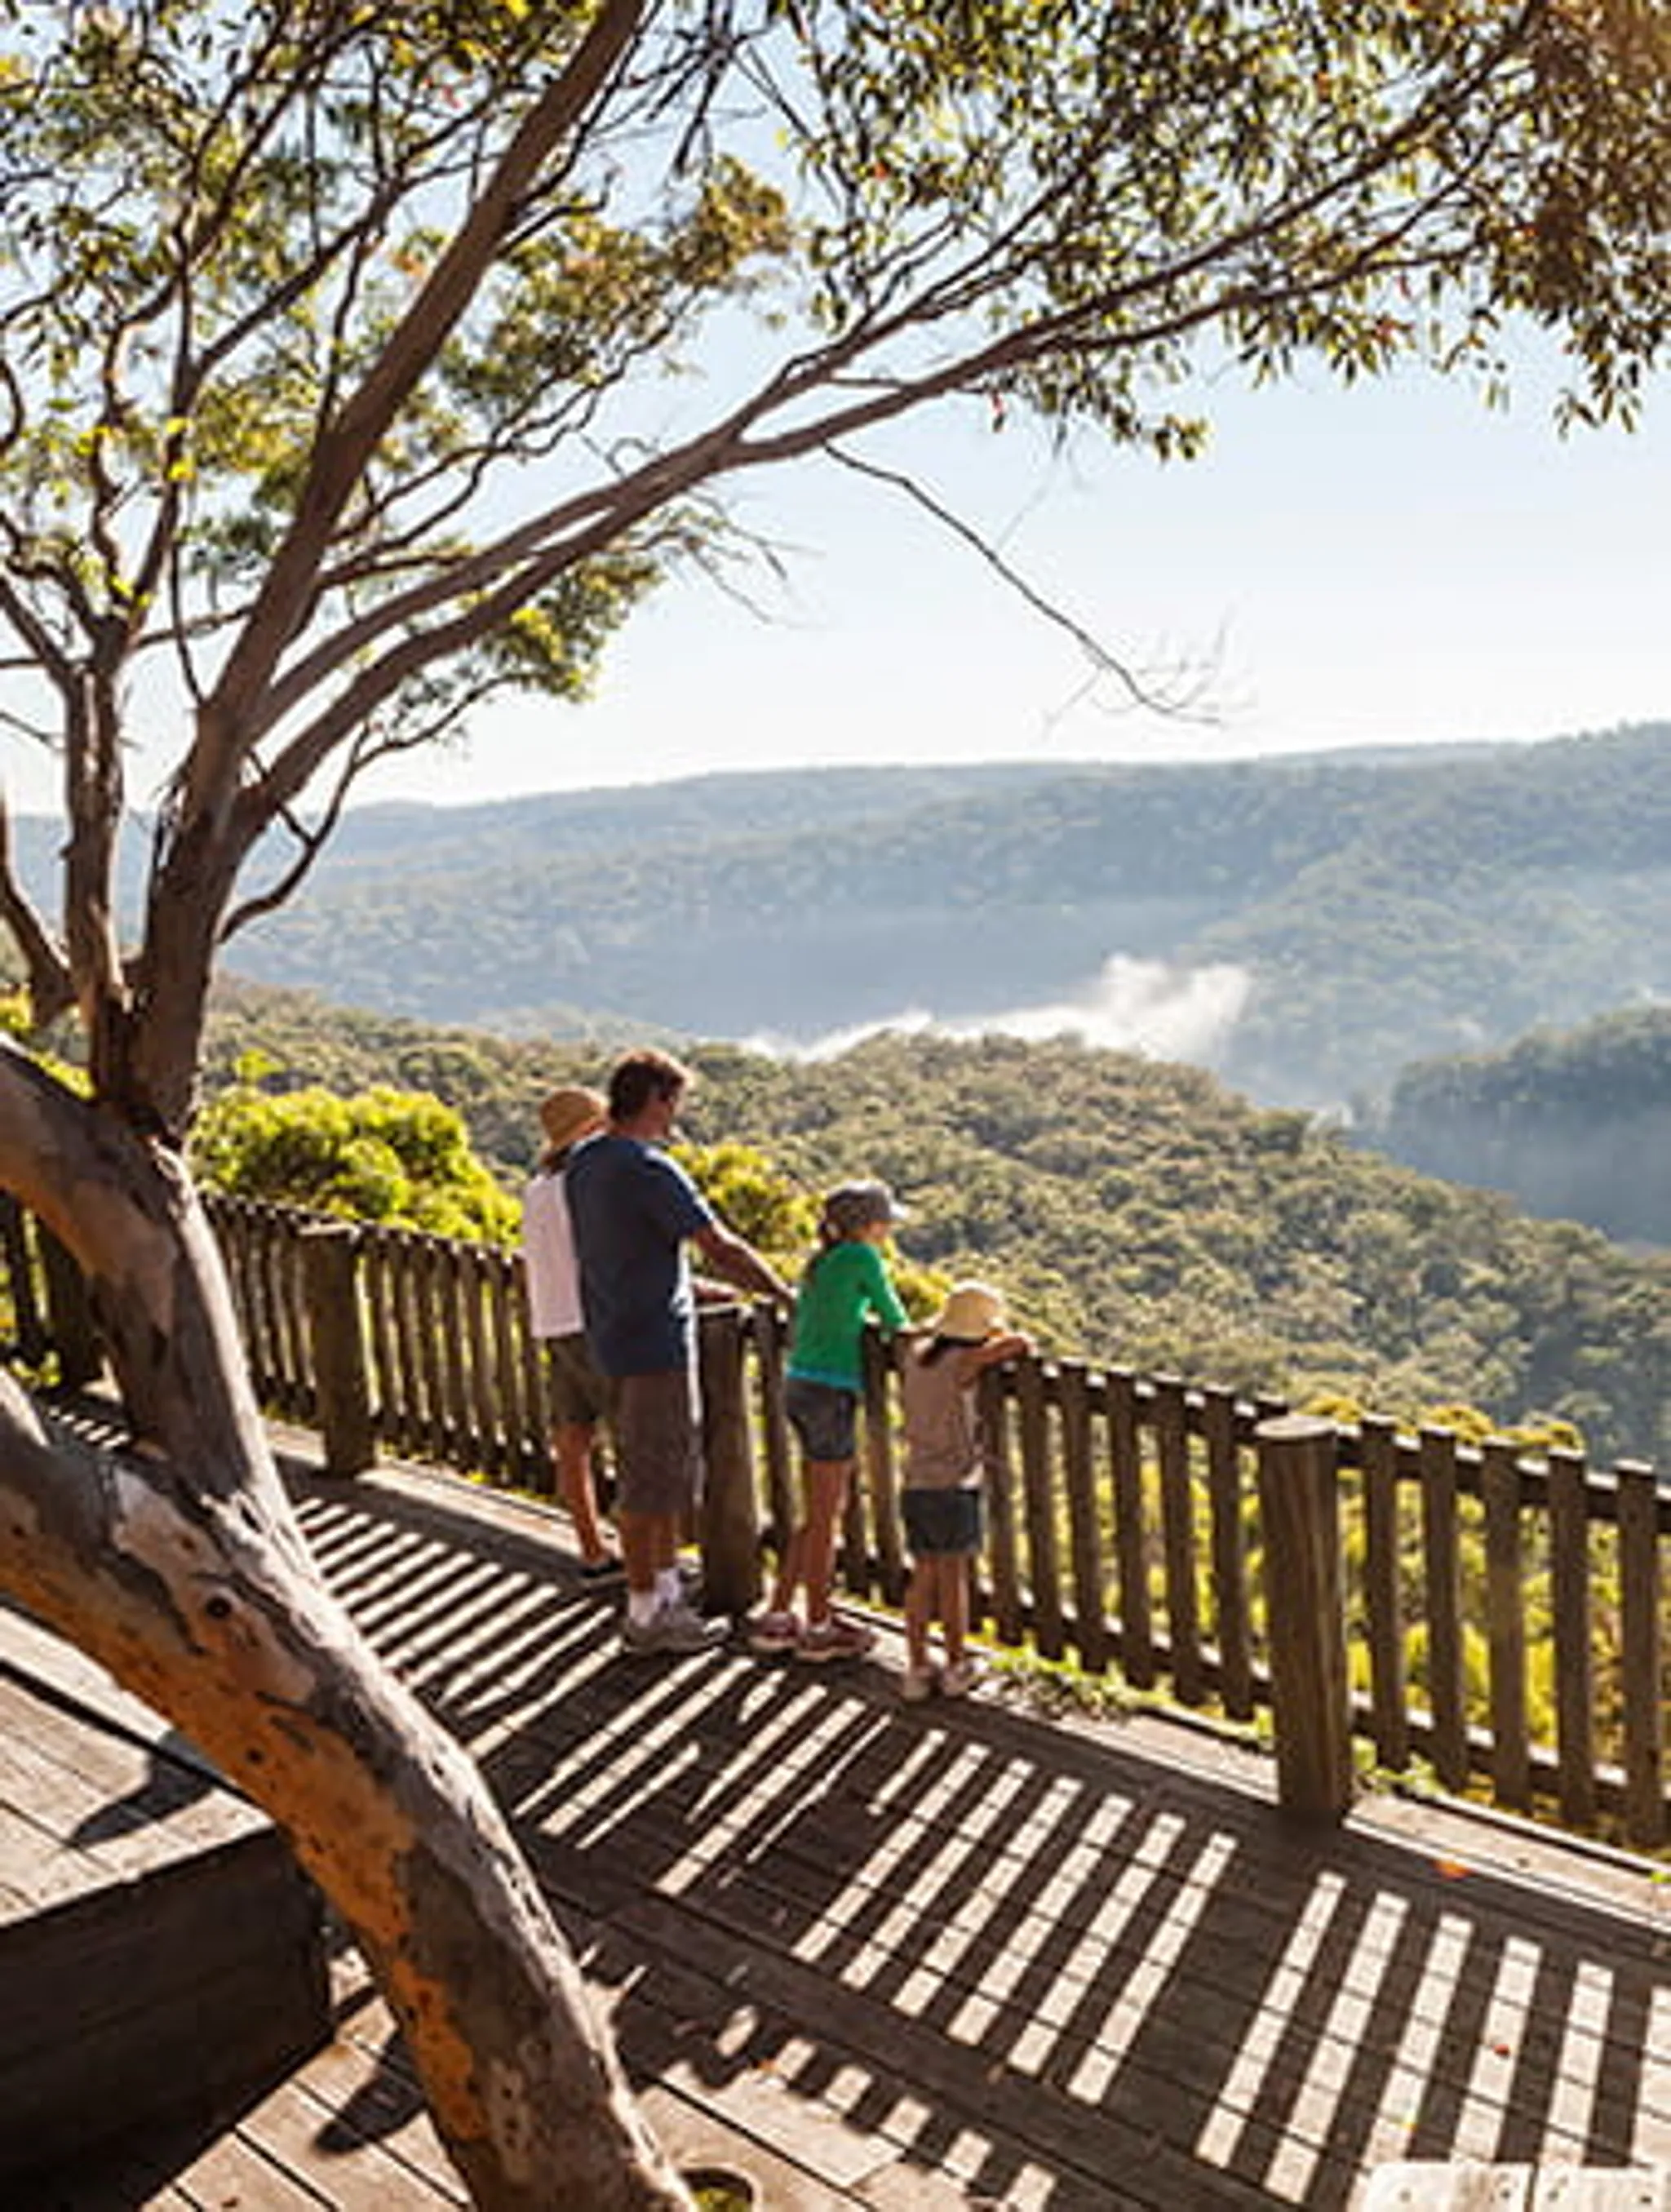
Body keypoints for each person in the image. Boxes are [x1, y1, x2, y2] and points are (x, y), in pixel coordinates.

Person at [565, 1048, 795, 1657]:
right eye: (675, 1102)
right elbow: (719, 1244)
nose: (676, 1116)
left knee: (657, 1475)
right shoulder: (649, 1168)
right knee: (649, 1484)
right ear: (658, 1099)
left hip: (610, 1334)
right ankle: (645, 1613)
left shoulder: (585, 1161)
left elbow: (619, 1248)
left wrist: (688, 1285)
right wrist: (782, 1292)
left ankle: (665, 1595)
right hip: (654, 1344)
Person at [749, 1180, 910, 1662]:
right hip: (831, 1393)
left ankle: (779, 1616)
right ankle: (819, 1627)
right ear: (867, 1226)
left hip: (799, 1385)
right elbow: (893, 1316)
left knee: (817, 1512)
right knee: (826, 1517)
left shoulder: (820, 1261)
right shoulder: (862, 1259)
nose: (887, 1231)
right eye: (884, 1222)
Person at [898, 1279, 1031, 1702]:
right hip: (953, 1484)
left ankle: (917, 1667)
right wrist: (998, 1336)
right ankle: (956, 1664)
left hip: (916, 1480)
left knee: (922, 1576)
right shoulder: (967, 1362)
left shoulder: (917, 1358)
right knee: (953, 1578)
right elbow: (1020, 1343)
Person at [521, 1083, 621, 1583]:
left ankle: (592, 1549)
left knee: (573, 1442)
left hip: (553, 1322)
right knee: (637, 1445)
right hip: (596, 1323)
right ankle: (649, 1562)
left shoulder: (536, 1190)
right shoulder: (583, 1187)